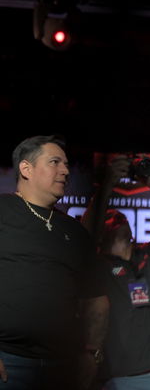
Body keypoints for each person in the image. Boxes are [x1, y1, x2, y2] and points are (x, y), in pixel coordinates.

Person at [0, 135, 108, 390]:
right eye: (55, 162)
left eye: (67, 164)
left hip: (64, 367)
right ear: (26, 169)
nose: (66, 171)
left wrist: (93, 354)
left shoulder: (75, 231)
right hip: (8, 362)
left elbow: (96, 300)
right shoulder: (3, 211)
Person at [81, 155, 150, 390]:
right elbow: (83, 237)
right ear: (100, 233)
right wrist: (106, 187)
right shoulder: (96, 266)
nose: (117, 217)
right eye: (110, 217)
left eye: (120, 216)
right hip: (125, 380)